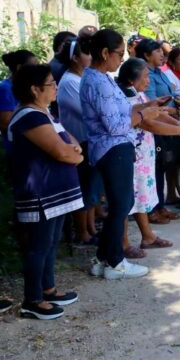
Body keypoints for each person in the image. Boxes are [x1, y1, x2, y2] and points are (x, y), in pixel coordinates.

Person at [80, 29, 165, 280]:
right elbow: (115, 125)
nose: (122, 59)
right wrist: (143, 116)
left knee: (121, 204)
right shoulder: (97, 80)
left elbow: (121, 110)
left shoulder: (102, 77)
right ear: (105, 53)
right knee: (121, 205)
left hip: (115, 147)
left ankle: (103, 257)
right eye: (119, 54)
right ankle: (116, 262)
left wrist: (145, 106)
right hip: (112, 148)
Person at [8, 64, 83, 319]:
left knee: (50, 243)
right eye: (51, 84)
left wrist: (73, 153)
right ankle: (33, 300)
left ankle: (48, 289)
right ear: (34, 89)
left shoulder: (46, 113)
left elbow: (71, 143)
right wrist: (73, 155)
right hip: (41, 194)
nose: (56, 88)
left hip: (56, 194)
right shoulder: (29, 116)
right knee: (39, 246)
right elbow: (62, 151)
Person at [117, 58, 180, 258]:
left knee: (140, 196)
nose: (149, 81)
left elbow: (156, 116)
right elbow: (149, 124)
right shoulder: (126, 99)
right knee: (127, 199)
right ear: (132, 80)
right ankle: (123, 243)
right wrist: (177, 131)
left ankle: (147, 236)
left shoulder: (138, 95)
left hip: (144, 155)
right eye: (146, 76)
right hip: (133, 155)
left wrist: (179, 127)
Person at [56, 37, 102, 246]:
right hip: (80, 140)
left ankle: (91, 228)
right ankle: (82, 232)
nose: (91, 57)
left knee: (92, 187)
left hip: (90, 139)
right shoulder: (69, 82)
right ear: (75, 58)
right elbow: (87, 112)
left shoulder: (83, 78)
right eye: (86, 53)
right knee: (85, 186)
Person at [136, 39, 180, 224]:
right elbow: (152, 104)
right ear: (146, 55)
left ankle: (160, 205)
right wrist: (170, 111)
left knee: (162, 165)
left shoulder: (159, 72)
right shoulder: (146, 76)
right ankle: (152, 209)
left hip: (166, 121)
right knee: (153, 169)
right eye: (157, 51)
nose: (162, 54)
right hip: (153, 126)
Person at [1, 50, 39, 150]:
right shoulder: (5, 89)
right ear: (19, 68)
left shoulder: (25, 86)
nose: (37, 69)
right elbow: (6, 123)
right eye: (33, 65)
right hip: (18, 147)